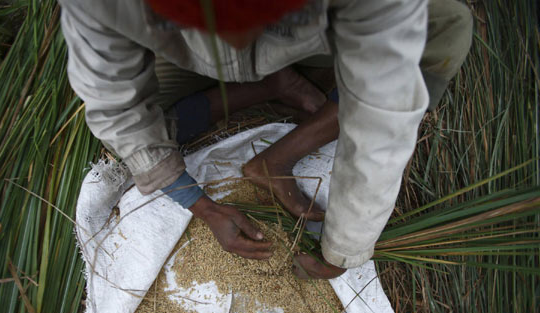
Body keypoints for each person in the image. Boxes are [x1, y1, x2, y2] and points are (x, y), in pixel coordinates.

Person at [59, 0, 472, 279]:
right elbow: (116, 106)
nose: (238, 34)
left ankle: (277, 156)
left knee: (444, 31)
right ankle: (274, 86)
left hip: (307, 40)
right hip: (184, 51)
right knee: (139, 139)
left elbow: (383, 120)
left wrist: (345, 246)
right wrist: (203, 208)